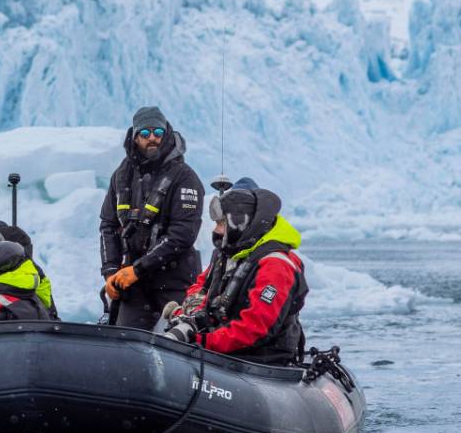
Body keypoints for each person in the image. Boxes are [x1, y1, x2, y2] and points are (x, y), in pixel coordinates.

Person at [163, 186, 308, 364]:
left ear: (239, 223)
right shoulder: (230, 254)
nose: (216, 230)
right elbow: (202, 283)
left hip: (258, 359)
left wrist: (202, 340)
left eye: (221, 223)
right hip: (223, 348)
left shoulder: (276, 267)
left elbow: (255, 328)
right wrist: (195, 309)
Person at [99, 106, 205, 331]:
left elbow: (182, 234)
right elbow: (108, 226)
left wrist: (138, 269)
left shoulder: (185, 177)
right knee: (125, 343)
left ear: (166, 133)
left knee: (177, 344)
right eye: (145, 134)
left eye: (158, 132)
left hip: (175, 282)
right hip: (134, 284)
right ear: (135, 136)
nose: (152, 139)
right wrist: (110, 272)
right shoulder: (122, 175)